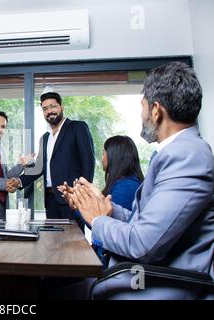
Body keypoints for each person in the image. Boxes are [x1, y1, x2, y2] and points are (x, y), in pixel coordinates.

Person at [63, 62, 214, 299]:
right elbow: (146, 221)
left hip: (155, 285)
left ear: (156, 111)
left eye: (142, 106)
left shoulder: (187, 155)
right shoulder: (178, 153)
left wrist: (98, 218)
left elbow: (143, 244)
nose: (141, 115)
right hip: (138, 275)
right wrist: (103, 205)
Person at [60, 135, 144, 268]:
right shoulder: (123, 183)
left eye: (104, 153)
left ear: (114, 156)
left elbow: (103, 226)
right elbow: (99, 221)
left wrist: (81, 205)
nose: (102, 158)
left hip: (110, 265)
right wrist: (78, 202)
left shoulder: (126, 187)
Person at [16, 91, 95, 227]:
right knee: (53, 243)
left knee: (73, 243)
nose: (49, 111)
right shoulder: (45, 138)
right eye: (45, 108)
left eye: (53, 106)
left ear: (61, 107)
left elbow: (88, 162)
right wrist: (18, 181)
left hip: (71, 198)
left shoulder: (77, 127)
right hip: (50, 200)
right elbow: (39, 168)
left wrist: (80, 195)